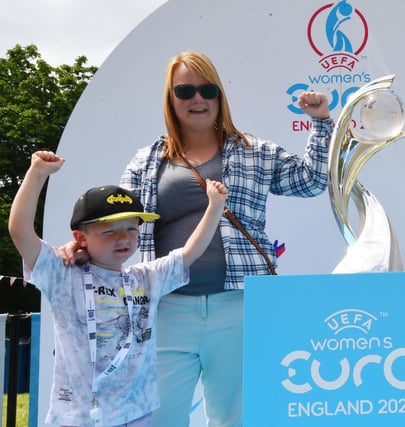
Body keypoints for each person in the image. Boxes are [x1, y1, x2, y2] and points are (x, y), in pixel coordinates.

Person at [61, 51, 333, 426]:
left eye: (207, 89)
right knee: (159, 418)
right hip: (167, 308)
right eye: (185, 91)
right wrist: (81, 247)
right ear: (170, 100)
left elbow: (312, 181)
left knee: (233, 419)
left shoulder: (255, 151)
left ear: (220, 96)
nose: (198, 99)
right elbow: (119, 223)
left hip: (238, 304)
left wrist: (320, 123)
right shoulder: (146, 161)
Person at [9, 150, 228, 427]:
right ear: (80, 237)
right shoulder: (63, 274)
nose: (123, 238)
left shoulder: (146, 277)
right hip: (77, 416)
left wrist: (214, 207)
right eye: (109, 231)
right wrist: (37, 174)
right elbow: (20, 231)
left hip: (136, 413)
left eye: (131, 229)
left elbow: (189, 252)